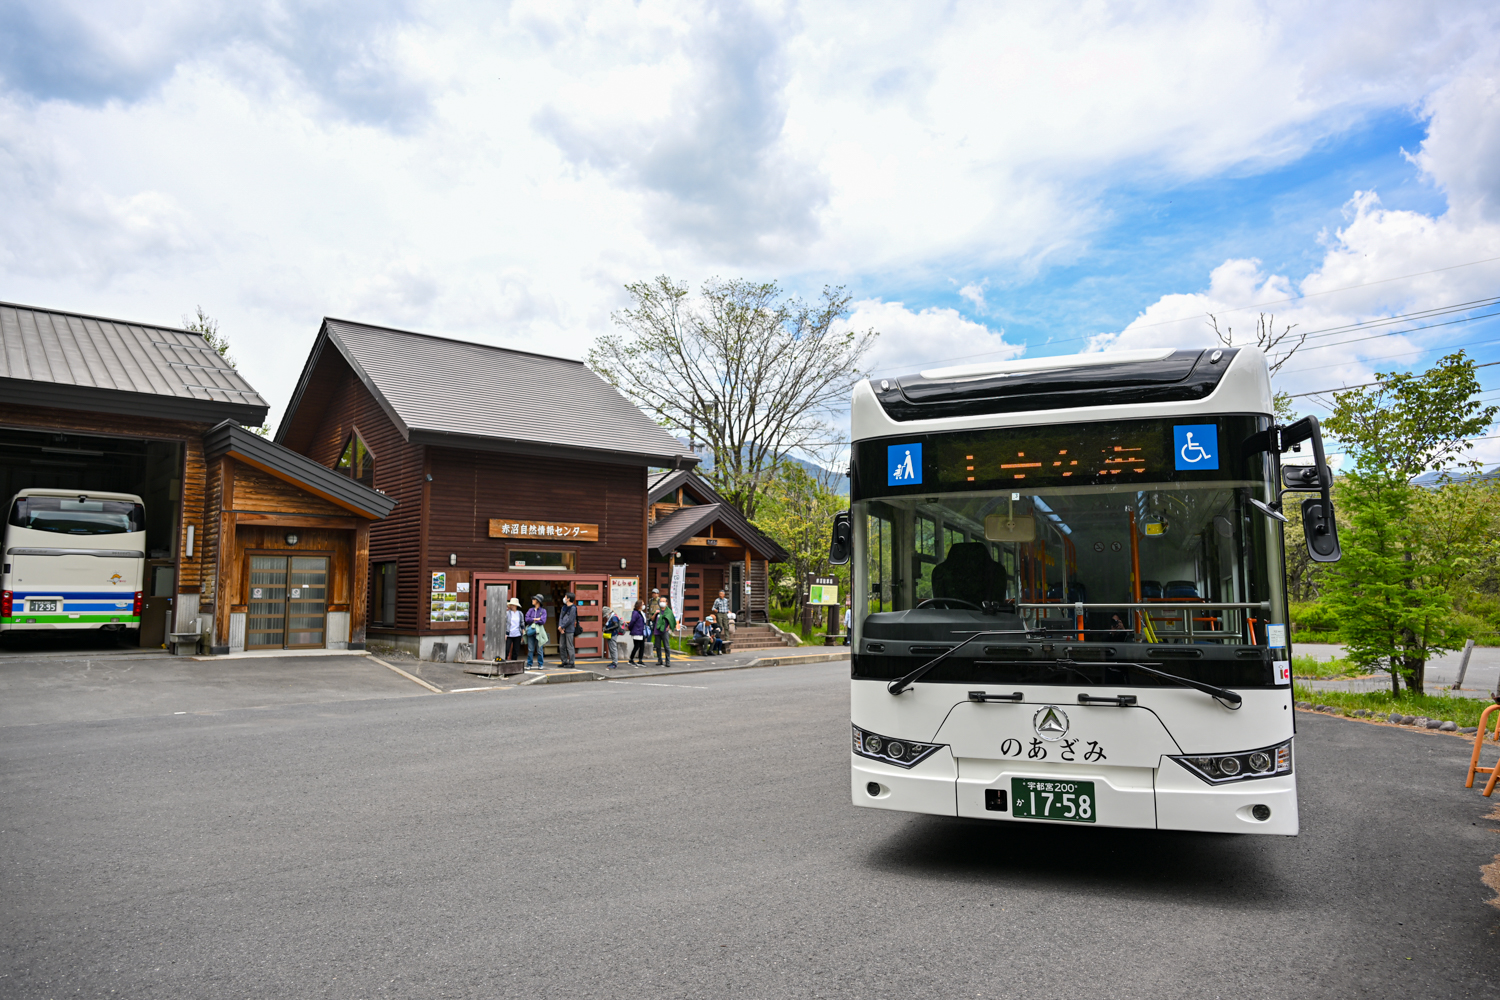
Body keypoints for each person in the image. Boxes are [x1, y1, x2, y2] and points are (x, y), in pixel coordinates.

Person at [524, 593, 548, 669]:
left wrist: (534, 621)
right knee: (530, 649)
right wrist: (536, 619)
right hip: (531, 632)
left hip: (539, 632)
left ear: (538, 601)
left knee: (539, 649)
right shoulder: (530, 610)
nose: (532, 600)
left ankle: (540, 664)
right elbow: (527, 620)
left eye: (534, 599)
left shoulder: (543, 611)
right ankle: (529, 664)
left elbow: (543, 621)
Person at [653, 597, 676, 667]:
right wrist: (655, 613)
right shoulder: (658, 610)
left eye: (663, 601)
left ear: (667, 603)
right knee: (658, 647)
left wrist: (668, 627)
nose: (662, 602)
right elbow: (652, 619)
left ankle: (668, 661)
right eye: (661, 601)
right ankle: (659, 660)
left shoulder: (669, 611)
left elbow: (671, 620)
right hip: (657, 631)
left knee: (666, 646)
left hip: (664, 631)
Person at [558, 592, 578, 668]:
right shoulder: (564, 607)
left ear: (568, 599)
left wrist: (562, 626)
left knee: (570, 646)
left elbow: (570, 620)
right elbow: (561, 617)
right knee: (562, 646)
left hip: (569, 630)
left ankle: (571, 662)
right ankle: (564, 661)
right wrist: (560, 626)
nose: (564, 598)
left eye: (565, 597)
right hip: (562, 629)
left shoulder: (573, 608)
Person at [628, 600, 649, 664]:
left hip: (641, 632)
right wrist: (630, 628)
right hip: (637, 632)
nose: (643, 606)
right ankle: (631, 659)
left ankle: (640, 660)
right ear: (639, 605)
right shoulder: (635, 613)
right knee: (636, 646)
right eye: (642, 604)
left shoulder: (642, 612)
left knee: (642, 646)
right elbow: (632, 622)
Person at [505, 596, 524, 661]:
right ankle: (504, 662)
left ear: (516, 605)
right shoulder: (507, 613)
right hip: (509, 634)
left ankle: (514, 663)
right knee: (507, 649)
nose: (512, 606)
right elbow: (505, 623)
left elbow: (522, 624)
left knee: (516, 650)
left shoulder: (520, 613)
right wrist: (505, 633)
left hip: (517, 634)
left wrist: (523, 634)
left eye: (513, 605)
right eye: (511, 605)